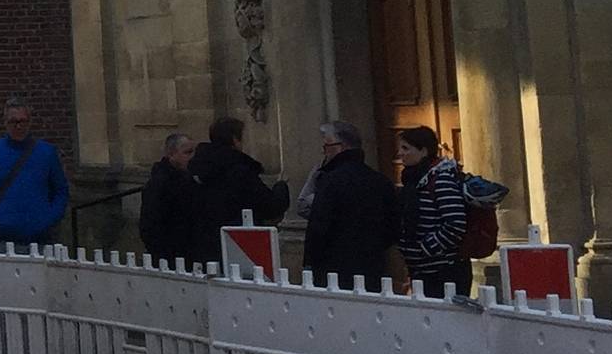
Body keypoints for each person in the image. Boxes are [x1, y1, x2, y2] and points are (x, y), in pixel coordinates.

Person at [300, 120, 396, 291]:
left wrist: (310, 263)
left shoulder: (330, 181)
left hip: (334, 270)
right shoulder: (380, 181)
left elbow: (319, 227)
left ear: (341, 146)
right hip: (372, 267)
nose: (324, 152)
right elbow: (392, 227)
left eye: (326, 146)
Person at [0, 97, 68, 249]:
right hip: (2, 239)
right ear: (6, 123)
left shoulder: (46, 153)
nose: (19, 126)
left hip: (41, 239)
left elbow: (61, 190)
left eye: (23, 121)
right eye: (14, 122)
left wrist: (49, 218)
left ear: (29, 122)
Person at [188, 117, 290, 266]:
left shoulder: (196, 169)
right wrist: (281, 187)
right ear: (235, 139)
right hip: (241, 249)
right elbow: (269, 206)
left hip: (206, 247)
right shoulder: (238, 170)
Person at [395, 126, 472, 298]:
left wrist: (426, 249)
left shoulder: (441, 179)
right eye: (400, 148)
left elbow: (455, 223)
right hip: (420, 270)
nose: (400, 154)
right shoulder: (413, 182)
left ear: (423, 151)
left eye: (406, 148)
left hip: (444, 270)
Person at [137, 131, 199, 266]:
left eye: (193, 152)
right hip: (170, 255)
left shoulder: (189, 179)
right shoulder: (160, 183)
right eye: (187, 152)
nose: (192, 157)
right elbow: (150, 223)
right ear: (171, 154)